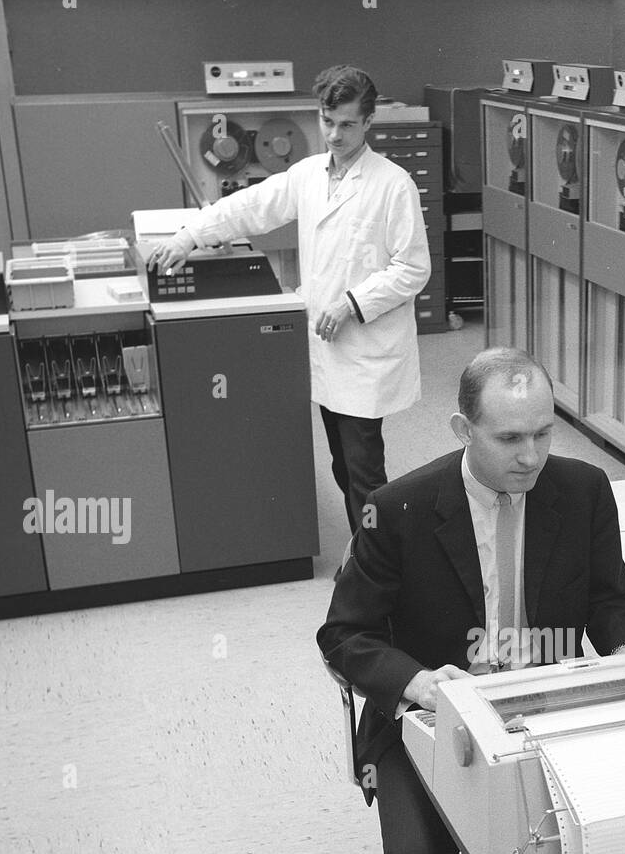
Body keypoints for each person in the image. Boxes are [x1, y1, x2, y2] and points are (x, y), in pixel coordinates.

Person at [320, 348, 625, 854]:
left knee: (620, 825)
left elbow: (610, 599)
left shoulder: (584, 490)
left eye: (542, 433)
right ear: (461, 428)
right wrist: (418, 683)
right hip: (430, 721)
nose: (530, 456)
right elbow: (343, 636)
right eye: (508, 438)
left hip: (545, 705)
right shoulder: (398, 511)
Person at [148, 65, 430, 530]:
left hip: (364, 350)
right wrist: (189, 236)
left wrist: (352, 303)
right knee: (343, 465)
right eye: (327, 121)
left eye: (347, 124)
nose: (334, 135)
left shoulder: (392, 183)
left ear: (369, 122)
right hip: (326, 348)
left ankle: (378, 565)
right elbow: (249, 207)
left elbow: (413, 267)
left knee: (363, 470)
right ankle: (371, 550)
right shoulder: (307, 174)